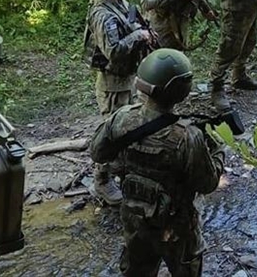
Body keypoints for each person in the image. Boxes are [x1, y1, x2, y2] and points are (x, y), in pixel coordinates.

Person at [92, 49, 225, 277]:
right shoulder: (188, 137)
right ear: (183, 91)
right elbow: (207, 184)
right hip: (177, 225)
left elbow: (98, 153)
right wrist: (219, 150)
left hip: (135, 218)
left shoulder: (121, 117)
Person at [83, 0, 156, 205]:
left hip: (128, 77)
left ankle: (124, 172)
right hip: (114, 84)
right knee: (112, 132)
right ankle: (102, 181)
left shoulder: (120, 3)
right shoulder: (103, 14)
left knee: (131, 127)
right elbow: (113, 51)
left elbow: (131, 24)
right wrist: (138, 37)